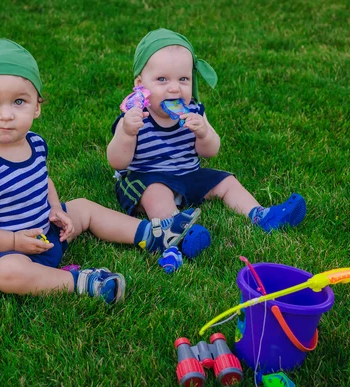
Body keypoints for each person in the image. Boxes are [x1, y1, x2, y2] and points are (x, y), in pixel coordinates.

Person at [0, 39, 201, 304]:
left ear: (37, 106)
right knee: (9, 273)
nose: (6, 115)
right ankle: (81, 282)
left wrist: (56, 208)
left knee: (83, 207)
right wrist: (14, 242)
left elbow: (42, 179)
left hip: (45, 232)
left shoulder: (34, 142)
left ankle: (152, 234)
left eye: (18, 101)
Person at [106, 29, 306, 245]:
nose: (174, 88)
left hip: (189, 174)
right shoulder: (134, 117)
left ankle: (260, 214)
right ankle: (178, 233)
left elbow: (210, 151)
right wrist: (127, 133)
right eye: (162, 79)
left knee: (227, 181)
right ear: (140, 85)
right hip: (149, 177)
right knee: (156, 194)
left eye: (183, 79)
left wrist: (204, 133)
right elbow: (117, 161)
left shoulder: (194, 111)